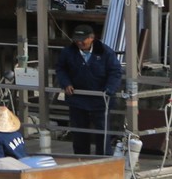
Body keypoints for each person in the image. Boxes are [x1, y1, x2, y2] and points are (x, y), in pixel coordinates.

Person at [54, 24, 125, 156]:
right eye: (77, 39)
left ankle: (104, 158)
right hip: (77, 97)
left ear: (92, 38)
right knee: (79, 131)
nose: (80, 42)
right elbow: (61, 69)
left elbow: (115, 71)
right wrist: (65, 83)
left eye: (83, 39)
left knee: (102, 131)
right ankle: (81, 158)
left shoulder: (105, 51)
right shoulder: (68, 52)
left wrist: (110, 88)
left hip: (101, 98)